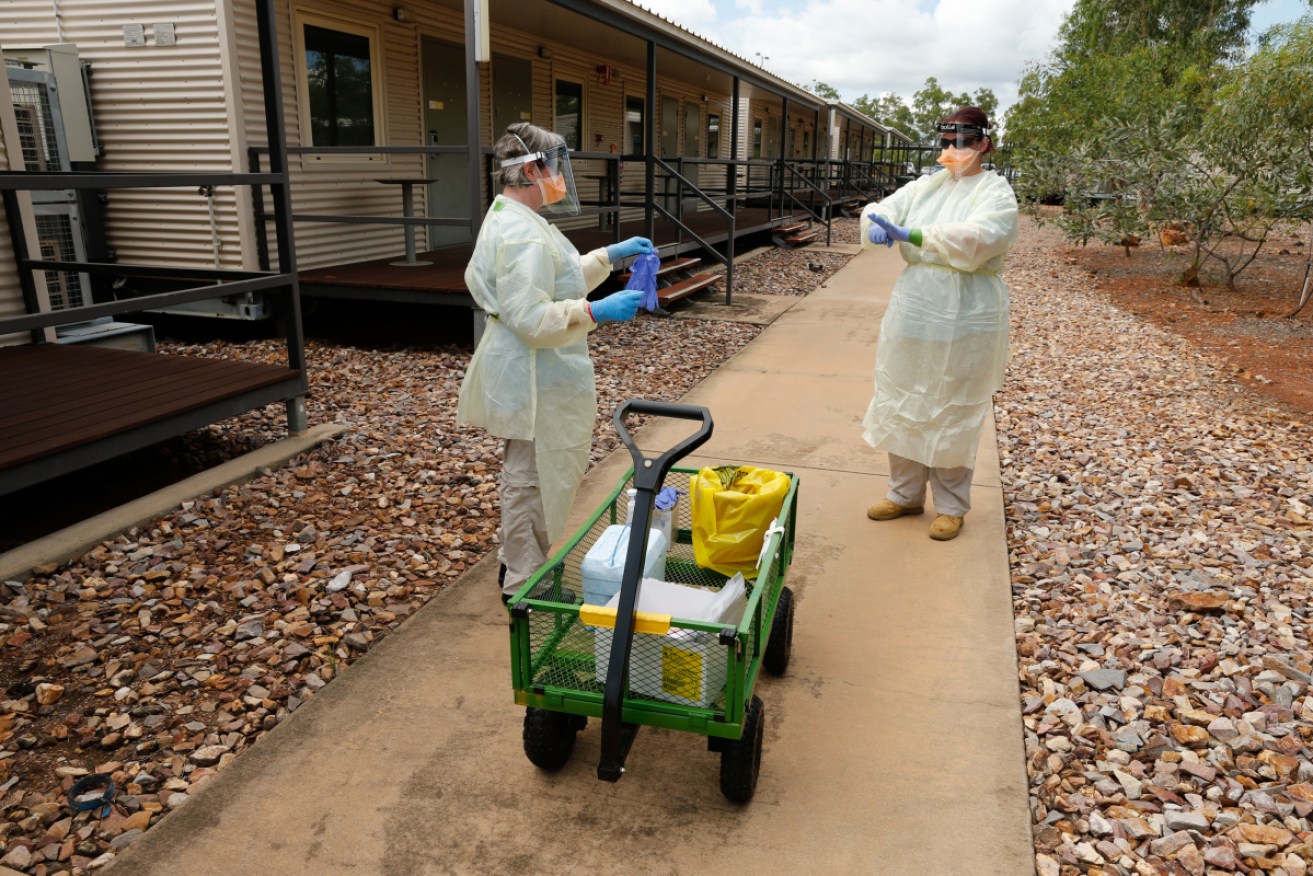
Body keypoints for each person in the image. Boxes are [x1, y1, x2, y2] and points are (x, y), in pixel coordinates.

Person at [458, 122, 656, 600]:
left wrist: (607, 257)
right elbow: (530, 314)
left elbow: (557, 278)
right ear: (530, 169)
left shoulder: (520, 220)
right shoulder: (520, 232)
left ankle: (516, 566)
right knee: (531, 479)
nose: (560, 178)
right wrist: (594, 310)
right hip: (532, 371)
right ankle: (524, 585)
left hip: (535, 366)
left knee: (531, 475)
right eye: (555, 168)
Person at [858, 107, 1018, 541]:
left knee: (955, 403)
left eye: (961, 141)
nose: (952, 149)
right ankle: (904, 495)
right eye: (946, 142)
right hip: (916, 303)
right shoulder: (926, 185)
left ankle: (950, 505)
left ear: (982, 143)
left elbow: (983, 236)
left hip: (968, 307)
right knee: (903, 392)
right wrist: (874, 221)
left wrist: (914, 236)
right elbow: (884, 207)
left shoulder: (995, 192)